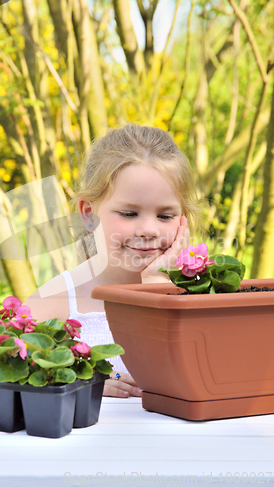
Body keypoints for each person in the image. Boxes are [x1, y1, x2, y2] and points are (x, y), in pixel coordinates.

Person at [23, 124, 205, 398]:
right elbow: (9, 379)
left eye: (165, 216)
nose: (149, 230)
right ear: (88, 213)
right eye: (129, 213)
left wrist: (156, 287)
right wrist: (77, 380)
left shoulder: (201, 297)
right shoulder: (54, 303)